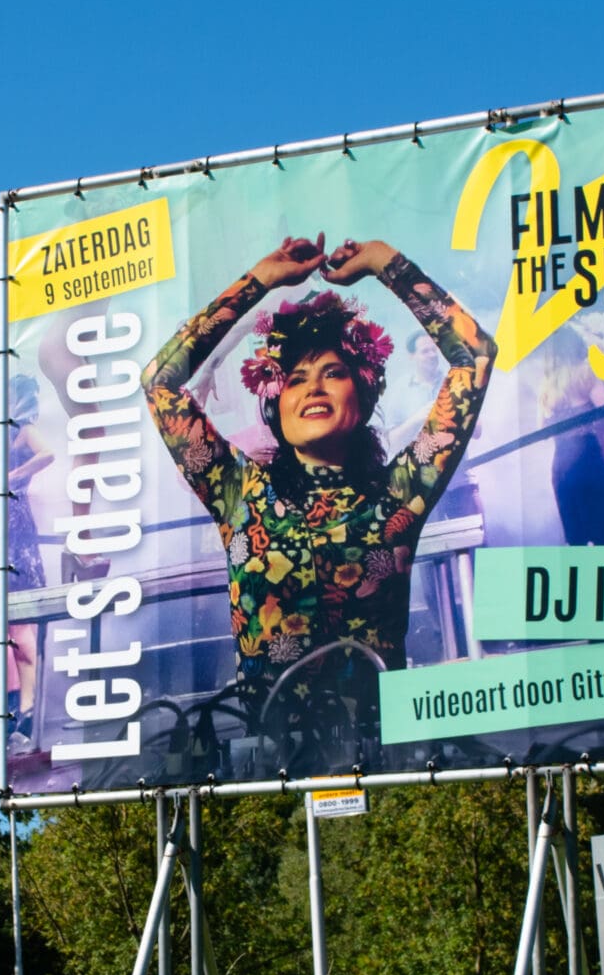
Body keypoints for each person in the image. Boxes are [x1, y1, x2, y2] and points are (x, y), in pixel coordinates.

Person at [149, 234, 497, 706]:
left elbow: (473, 355)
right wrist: (260, 281)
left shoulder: (400, 493)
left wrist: (384, 262)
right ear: (277, 404)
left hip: (383, 759)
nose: (313, 388)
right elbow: (159, 382)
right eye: (295, 379)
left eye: (332, 373)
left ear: (363, 393)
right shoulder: (237, 492)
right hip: (267, 766)